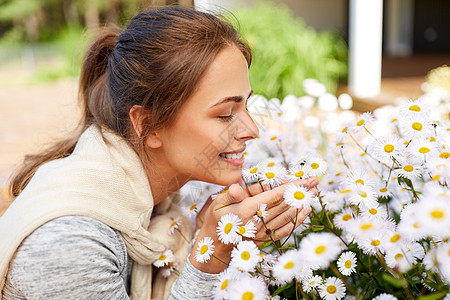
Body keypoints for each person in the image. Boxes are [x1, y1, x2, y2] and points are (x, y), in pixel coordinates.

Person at [0, 6, 318, 300]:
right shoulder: (72, 243)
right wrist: (209, 256)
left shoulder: (156, 204)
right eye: (225, 114)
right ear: (148, 124)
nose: (252, 129)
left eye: (246, 104)